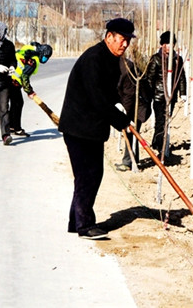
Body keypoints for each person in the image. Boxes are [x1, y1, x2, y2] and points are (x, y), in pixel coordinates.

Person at [58, 18, 135, 240]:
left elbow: (108, 91)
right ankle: (85, 225)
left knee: (91, 175)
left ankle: (76, 222)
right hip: (79, 127)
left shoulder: (110, 58)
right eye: (122, 39)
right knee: (87, 176)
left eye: (128, 40)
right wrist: (120, 121)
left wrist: (118, 105)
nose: (125, 45)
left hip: (91, 128)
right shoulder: (94, 58)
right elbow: (97, 98)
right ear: (109, 36)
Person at [146, 31, 187, 157]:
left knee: (166, 122)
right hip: (159, 96)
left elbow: (181, 77)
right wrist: (148, 95)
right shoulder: (156, 59)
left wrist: (183, 93)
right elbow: (150, 78)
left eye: (171, 43)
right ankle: (161, 148)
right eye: (166, 43)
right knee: (161, 122)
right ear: (162, 45)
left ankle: (157, 143)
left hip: (171, 96)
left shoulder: (177, 59)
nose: (169, 46)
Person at [115, 58, 153, 172]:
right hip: (130, 103)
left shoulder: (126, 69)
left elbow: (129, 95)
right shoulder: (115, 67)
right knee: (131, 133)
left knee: (132, 132)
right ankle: (132, 161)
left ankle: (129, 163)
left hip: (138, 105)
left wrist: (124, 116)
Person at [9, 42, 53, 137]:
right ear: (42, 53)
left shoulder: (29, 49)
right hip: (13, 80)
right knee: (18, 103)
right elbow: (24, 76)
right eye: (45, 57)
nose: (45, 60)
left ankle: (11, 126)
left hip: (8, 76)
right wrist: (29, 91)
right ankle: (17, 129)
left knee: (14, 103)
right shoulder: (34, 60)